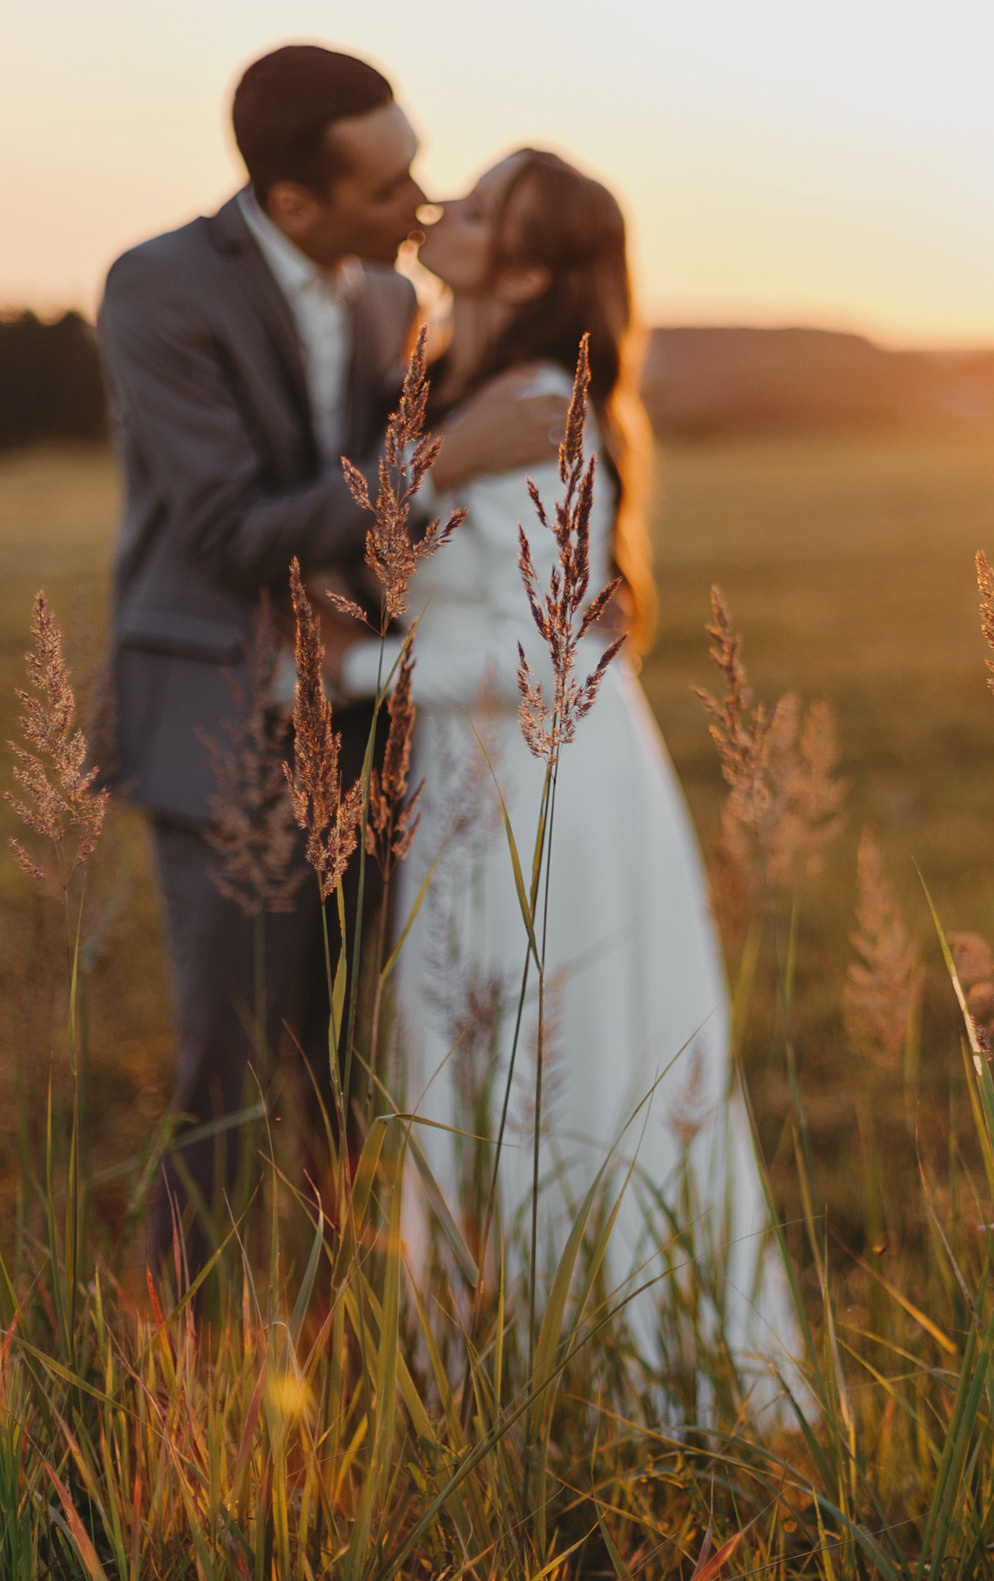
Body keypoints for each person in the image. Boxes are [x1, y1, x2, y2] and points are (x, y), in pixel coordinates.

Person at [96, 44, 565, 1284]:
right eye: (389, 188)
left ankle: (341, 1333)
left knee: (359, 1056)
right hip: (217, 712)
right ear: (296, 203)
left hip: (369, 711)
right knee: (234, 1058)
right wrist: (439, 464)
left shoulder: (383, 302)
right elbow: (227, 530)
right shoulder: (157, 289)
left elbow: (367, 524)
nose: (420, 205)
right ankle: (182, 1365)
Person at [335, 150, 795, 1382]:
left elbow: (546, 648)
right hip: (471, 781)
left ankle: (604, 1377)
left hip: (544, 783)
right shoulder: (452, 378)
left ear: (530, 267)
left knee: (555, 1062)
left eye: (479, 209)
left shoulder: (540, 402)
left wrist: (339, 675)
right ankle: (495, 1365)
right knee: (475, 1057)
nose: (445, 211)